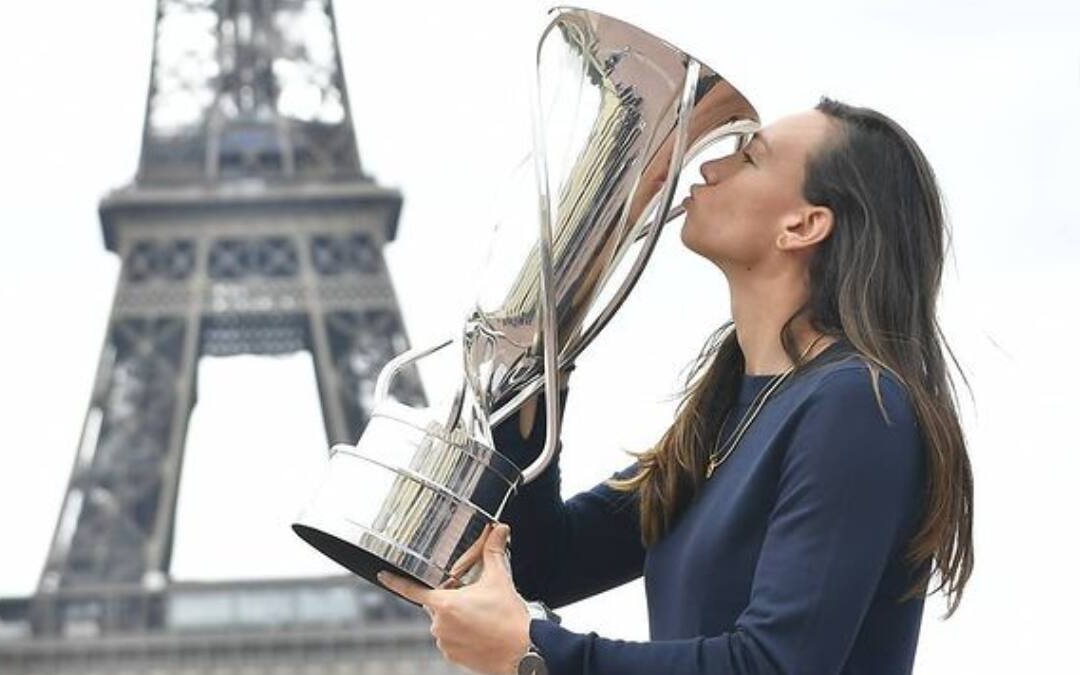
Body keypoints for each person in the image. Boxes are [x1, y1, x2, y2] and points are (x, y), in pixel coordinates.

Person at [379, 97, 974, 675]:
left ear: (803, 225)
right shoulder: (731, 409)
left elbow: (773, 665)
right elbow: (548, 562)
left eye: (749, 158)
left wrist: (535, 653)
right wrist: (540, 347)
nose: (710, 164)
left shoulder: (856, 406)